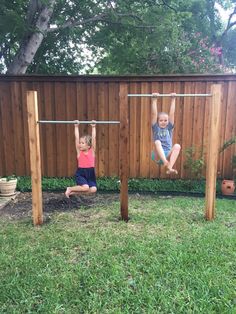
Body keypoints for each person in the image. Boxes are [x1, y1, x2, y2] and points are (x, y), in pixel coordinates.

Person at [65, 120, 97, 198]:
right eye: (80, 142)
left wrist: (93, 127)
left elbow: (94, 139)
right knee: (85, 187)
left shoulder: (92, 151)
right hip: (81, 173)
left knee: (93, 189)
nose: (80, 144)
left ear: (89, 146)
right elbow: (76, 138)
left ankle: (73, 193)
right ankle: (70, 188)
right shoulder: (79, 152)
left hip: (90, 173)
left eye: (82, 143)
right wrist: (76, 127)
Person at [151, 92, 181, 174]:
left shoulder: (169, 127)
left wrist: (173, 99)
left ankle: (170, 167)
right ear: (157, 121)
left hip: (167, 153)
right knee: (157, 142)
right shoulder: (156, 127)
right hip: (157, 155)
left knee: (177, 146)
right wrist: (154, 100)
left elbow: (172, 114)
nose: (163, 122)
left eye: (165, 120)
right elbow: (154, 114)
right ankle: (165, 162)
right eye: (161, 120)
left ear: (168, 121)